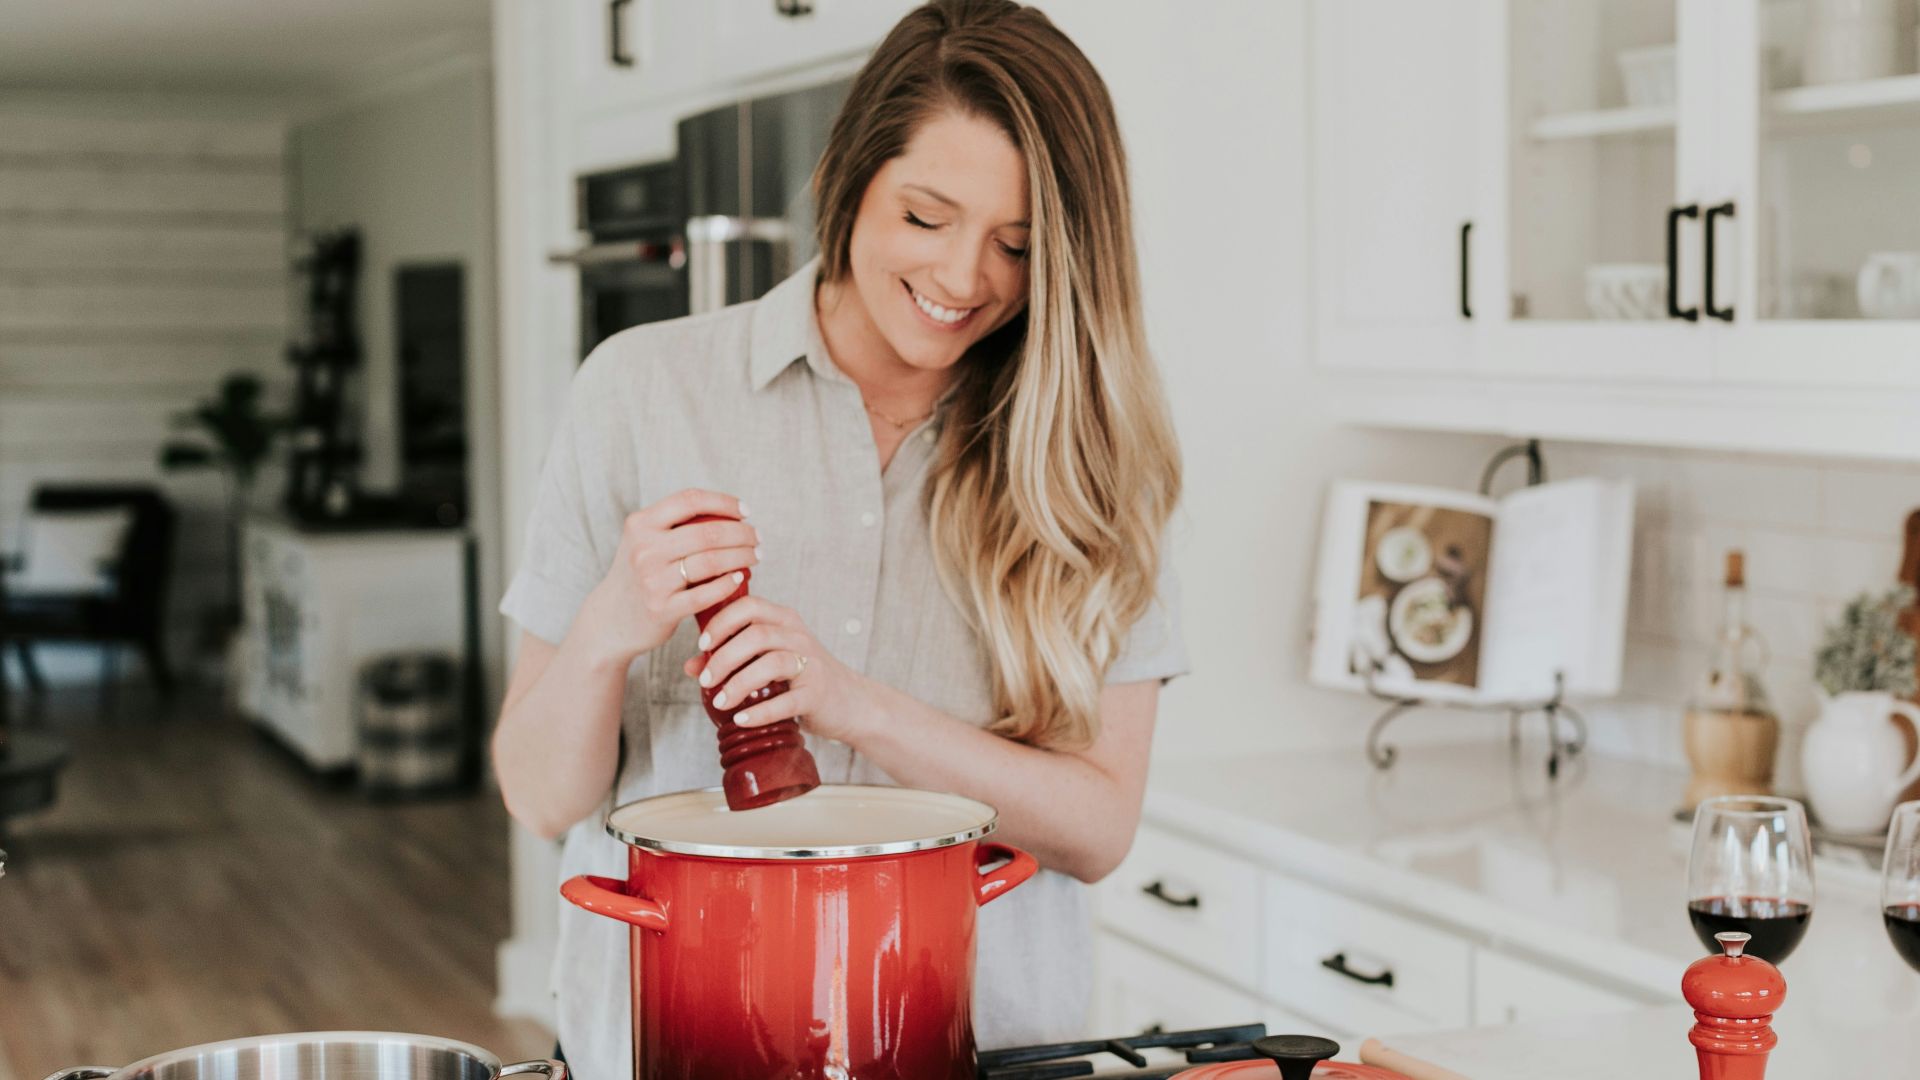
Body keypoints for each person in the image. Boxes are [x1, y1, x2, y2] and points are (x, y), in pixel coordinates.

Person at [492, 2, 1185, 1076]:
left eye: (1016, 244)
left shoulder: (1092, 460)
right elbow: (539, 796)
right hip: (676, 1044)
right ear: (850, 180)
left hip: (980, 1048)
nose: (964, 278)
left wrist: (850, 700)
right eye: (925, 216)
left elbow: (1098, 831)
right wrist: (606, 630)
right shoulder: (643, 389)